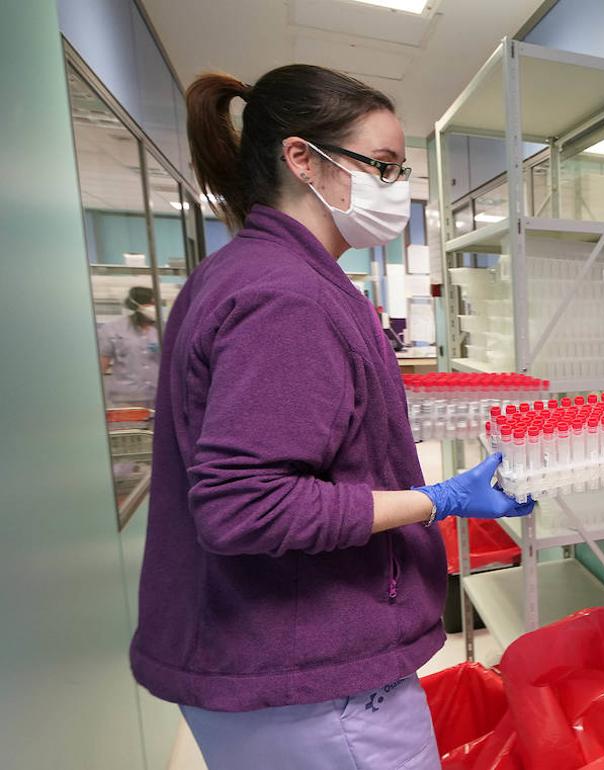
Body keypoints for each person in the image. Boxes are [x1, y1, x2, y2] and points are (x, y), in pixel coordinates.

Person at [130, 64, 534, 770]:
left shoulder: (252, 272)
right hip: (313, 682)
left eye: (400, 168)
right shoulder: (286, 297)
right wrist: (432, 501)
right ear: (302, 158)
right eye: (381, 165)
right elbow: (244, 505)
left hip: (277, 664)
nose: (397, 187)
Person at [98, 285, 160, 408]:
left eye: (155, 303)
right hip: (125, 399)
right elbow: (102, 366)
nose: (153, 308)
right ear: (136, 305)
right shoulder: (113, 329)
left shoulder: (162, 329)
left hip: (157, 396)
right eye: (150, 303)